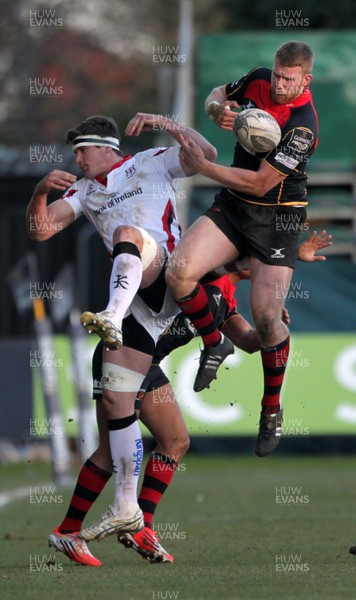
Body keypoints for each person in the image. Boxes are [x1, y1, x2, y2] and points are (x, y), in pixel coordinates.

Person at [48, 231, 331, 567]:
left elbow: (250, 341)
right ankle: (67, 531)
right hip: (121, 355)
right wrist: (291, 254)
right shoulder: (200, 272)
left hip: (148, 365)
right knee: (112, 453)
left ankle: (142, 526)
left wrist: (270, 328)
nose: (266, 273)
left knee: (175, 441)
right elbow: (248, 259)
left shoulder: (225, 300)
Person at [26, 112, 217, 555]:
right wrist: (39, 192)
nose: (77, 158)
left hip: (167, 284)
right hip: (136, 311)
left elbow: (205, 155)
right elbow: (40, 230)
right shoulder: (83, 191)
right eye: (73, 151)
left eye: (83, 149)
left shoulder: (151, 160)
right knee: (119, 437)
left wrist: (166, 121)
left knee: (171, 441)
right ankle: (105, 522)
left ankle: (129, 520)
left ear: (107, 148)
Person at [165, 40, 319, 458]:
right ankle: (214, 341)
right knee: (178, 271)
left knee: (267, 319)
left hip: (277, 219)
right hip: (234, 209)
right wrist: (217, 109)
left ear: (306, 79)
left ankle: (270, 409)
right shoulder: (257, 80)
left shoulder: (303, 126)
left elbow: (258, 183)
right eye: (277, 75)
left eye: (289, 79)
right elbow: (217, 93)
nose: (280, 84)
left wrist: (202, 167)